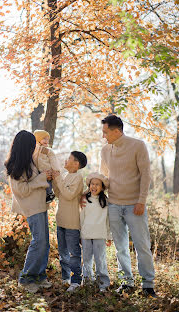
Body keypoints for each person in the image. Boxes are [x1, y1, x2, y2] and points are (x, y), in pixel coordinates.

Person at [100, 114, 156, 297]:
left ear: (117, 131)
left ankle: (148, 284)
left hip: (135, 204)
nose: (103, 136)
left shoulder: (138, 145)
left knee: (142, 245)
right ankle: (127, 282)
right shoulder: (105, 150)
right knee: (120, 246)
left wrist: (141, 200)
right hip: (114, 204)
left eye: (106, 132)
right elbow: (104, 178)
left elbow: (146, 175)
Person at [4, 130, 52, 294]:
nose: (34, 148)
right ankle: (26, 279)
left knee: (45, 242)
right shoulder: (16, 166)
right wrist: (41, 179)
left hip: (40, 205)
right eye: (32, 145)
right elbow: (22, 190)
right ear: (25, 147)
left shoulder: (29, 161)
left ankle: (39, 275)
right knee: (38, 242)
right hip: (32, 207)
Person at [52, 151, 87, 292]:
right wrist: (55, 180)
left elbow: (68, 194)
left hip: (71, 222)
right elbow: (59, 194)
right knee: (63, 252)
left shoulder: (78, 177)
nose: (66, 161)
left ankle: (76, 281)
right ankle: (65, 278)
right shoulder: (65, 176)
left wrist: (58, 179)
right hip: (60, 220)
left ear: (76, 164)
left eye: (69, 159)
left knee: (74, 253)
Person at [80, 172, 111, 292]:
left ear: (102, 187)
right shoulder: (84, 200)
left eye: (97, 184)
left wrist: (109, 236)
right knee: (87, 259)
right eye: (92, 184)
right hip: (86, 234)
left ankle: (103, 283)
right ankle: (88, 281)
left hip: (100, 234)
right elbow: (81, 218)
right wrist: (80, 233)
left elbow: (108, 220)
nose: (94, 186)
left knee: (100, 259)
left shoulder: (105, 202)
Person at [33, 129, 60, 204]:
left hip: (47, 169)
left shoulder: (47, 150)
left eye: (48, 139)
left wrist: (56, 170)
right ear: (38, 138)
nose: (46, 141)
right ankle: (44, 195)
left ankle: (50, 194)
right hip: (37, 171)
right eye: (44, 138)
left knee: (48, 182)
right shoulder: (34, 149)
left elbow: (53, 159)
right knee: (41, 184)